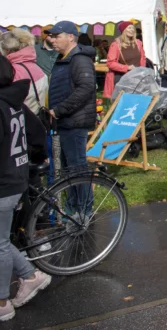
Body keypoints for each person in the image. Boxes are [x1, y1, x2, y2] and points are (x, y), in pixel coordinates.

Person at [0, 55, 51, 320]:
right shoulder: (15, 102)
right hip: (17, 176)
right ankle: (30, 275)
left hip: (4, 183)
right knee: (3, 241)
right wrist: (39, 155)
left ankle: (2, 303)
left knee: (0, 243)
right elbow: (36, 131)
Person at [46, 21, 96, 217]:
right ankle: (73, 208)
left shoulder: (79, 59)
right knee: (70, 170)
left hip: (75, 121)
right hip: (66, 121)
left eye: (56, 36)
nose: (52, 39)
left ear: (70, 37)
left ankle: (84, 211)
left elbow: (85, 89)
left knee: (77, 168)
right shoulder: (64, 58)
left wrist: (58, 110)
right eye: (51, 36)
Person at [0, 29, 48, 115]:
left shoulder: (12, 71)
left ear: (7, 50)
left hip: (19, 122)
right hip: (36, 120)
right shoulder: (37, 68)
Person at [104, 21, 146, 99]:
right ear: (123, 30)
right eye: (129, 28)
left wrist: (142, 71)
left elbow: (143, 58)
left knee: (136, 102)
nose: (132, 30)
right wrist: (127, 68)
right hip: (122, 79)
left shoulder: (138, 43)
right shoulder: (116, 45)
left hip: (137, 78)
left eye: (133, 28)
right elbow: (110, 63)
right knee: (124, 103)